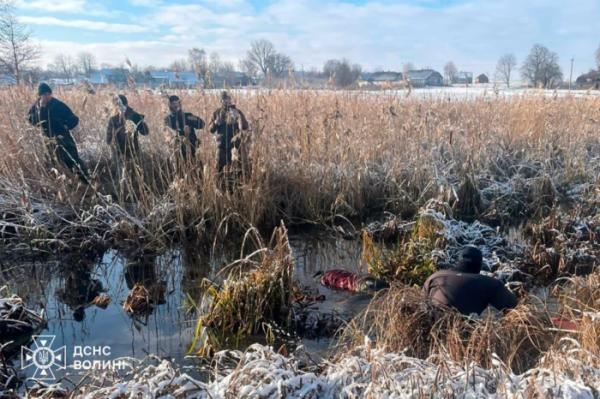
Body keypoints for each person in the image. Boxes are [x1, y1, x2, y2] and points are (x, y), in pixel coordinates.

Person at [423, 246, 518, 315]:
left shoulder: (435, 276)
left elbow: (421, 303)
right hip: (465, 336)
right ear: (479, 265)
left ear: (458, 261)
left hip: (431, 331)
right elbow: (514, 307)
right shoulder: (489, 283)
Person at [27, 83, 89, 182]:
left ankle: (86, 180)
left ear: (51, 94)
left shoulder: (58, 104)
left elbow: (74, 119)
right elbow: (32, 121)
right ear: (40, 96)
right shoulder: (36, 107)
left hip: (63, 137)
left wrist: (65, 126)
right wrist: (42, 109)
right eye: (43, 95)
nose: (46, 96)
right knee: (53, 162)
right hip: (48, 139)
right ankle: (62, 184)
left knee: (73, 159)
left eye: (48, 94)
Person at [209, 91, 249, 172]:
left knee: (241, 167)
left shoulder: (237, 111)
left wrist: (238, 117)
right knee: (219, 169)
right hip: (222, 146)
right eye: (224, 99)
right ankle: (220, 183)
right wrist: (216, 123)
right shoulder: (217, 113)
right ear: (221, 101)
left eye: (228, 99)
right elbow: (211, 130)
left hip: (236, 146)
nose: (227, 101)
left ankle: (241, 182)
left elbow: (245, 127)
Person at [106, 94, 149, 161]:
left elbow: (145, 132)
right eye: (116, 105)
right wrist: (118, 151)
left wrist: (137, 125)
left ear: (126, 104)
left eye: (120, 104)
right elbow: (108, 140)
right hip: (118, 155)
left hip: (133, 153)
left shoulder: (134, 116)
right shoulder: (113, 119)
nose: (118, 107)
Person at [164, 95, 204, 161]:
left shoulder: (187, 116)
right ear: (170, 105)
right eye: (173, 104)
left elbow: (202, 124)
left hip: (192, 149)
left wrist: (191, 123)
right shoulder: (168, 119)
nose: (176, 105)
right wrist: (182, 132)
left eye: (177, 103)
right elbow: (168, 133)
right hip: (178, 151)